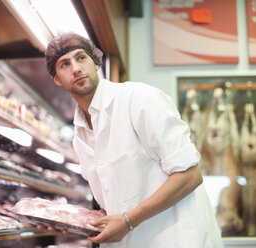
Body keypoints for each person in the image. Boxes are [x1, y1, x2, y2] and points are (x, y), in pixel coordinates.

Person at [44, 32, 223, 248]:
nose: (75, 68)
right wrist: (75, 220)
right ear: (56, 78)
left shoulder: (140, 100)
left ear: (95, 61)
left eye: (81, 57)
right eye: (64, 64)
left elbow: (190, 175)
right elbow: (116, 203)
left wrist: (129, 220)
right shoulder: (80, 135)